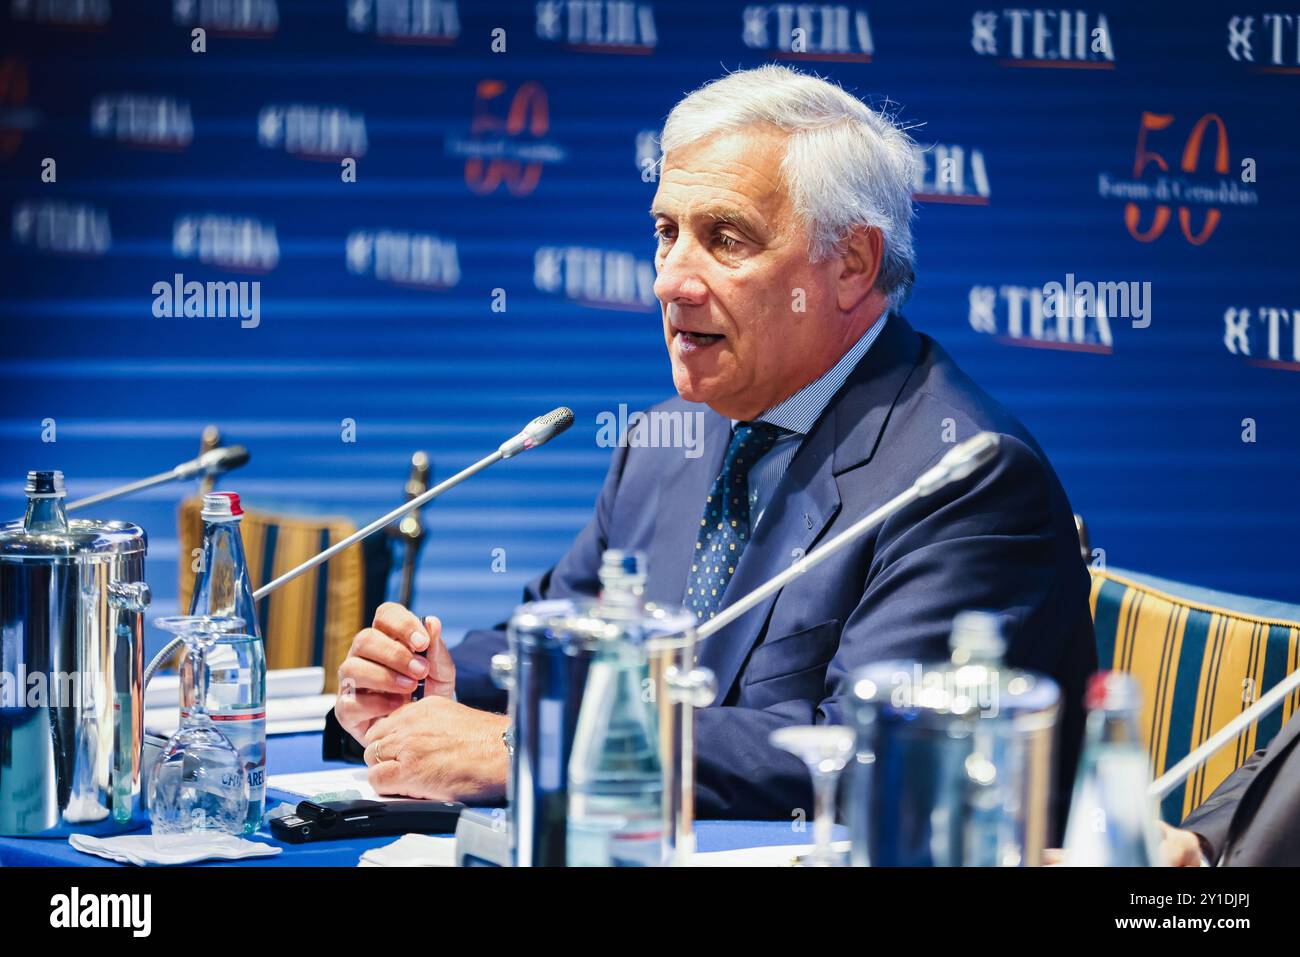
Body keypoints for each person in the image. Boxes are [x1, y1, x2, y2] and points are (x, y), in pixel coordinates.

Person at [323, 64, 1098, 824]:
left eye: (726, 239)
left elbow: (869, 751)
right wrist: (424, 687)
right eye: (667, 233)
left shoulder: (964, 477)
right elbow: (567, 629)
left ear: (852, 265)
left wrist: (531, 745)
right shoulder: (673, 436)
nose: (671, 281)